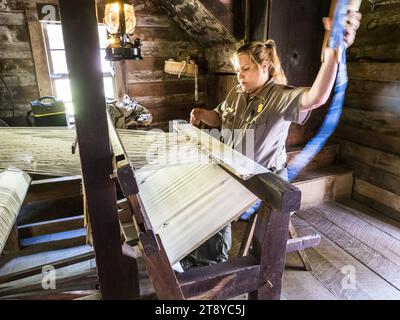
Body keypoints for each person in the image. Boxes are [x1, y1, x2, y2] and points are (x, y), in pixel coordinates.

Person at [179, 11, 362, 270]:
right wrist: (200, 113)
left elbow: (316, 97)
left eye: (245, 69)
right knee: (192, 188)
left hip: (262, 179)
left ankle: (209, 269)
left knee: (213, 204)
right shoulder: (236, 93)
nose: (239, 75)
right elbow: (220, 118)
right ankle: (190, 254)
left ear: (264, 66)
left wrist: (334, 55)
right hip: (233, 169)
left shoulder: (278, 97)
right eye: (236, 70)